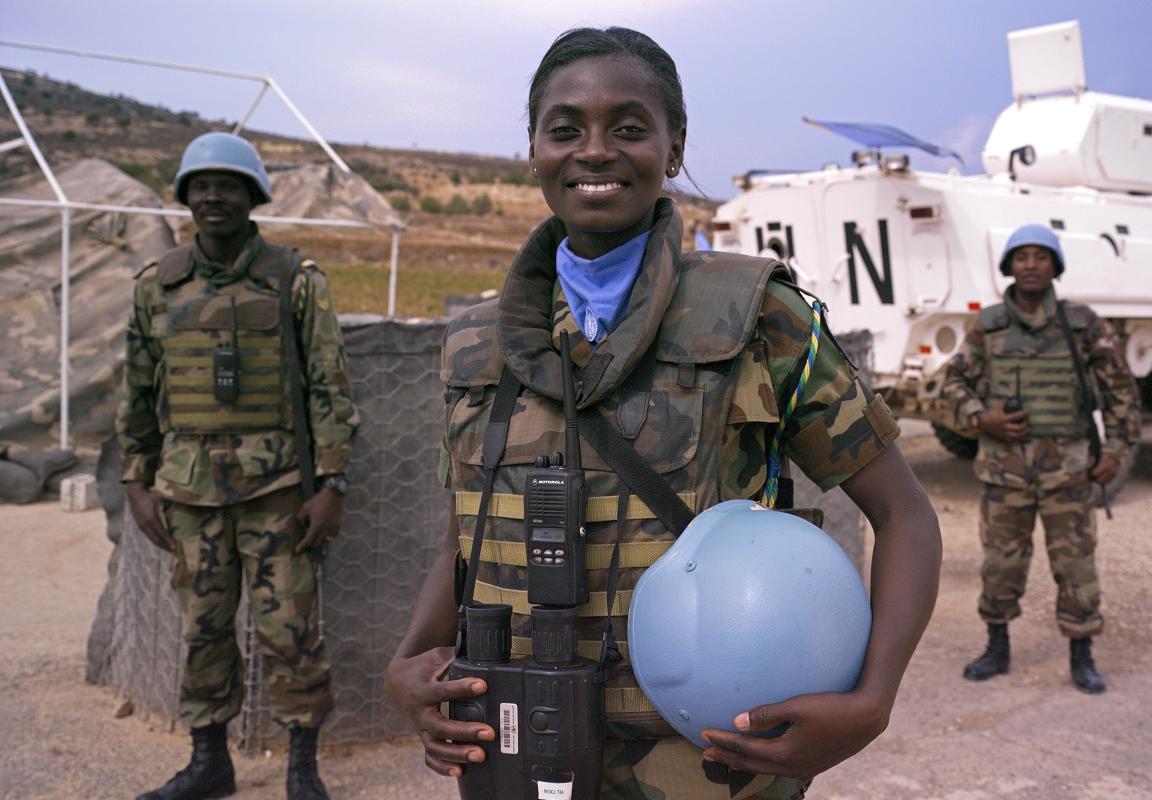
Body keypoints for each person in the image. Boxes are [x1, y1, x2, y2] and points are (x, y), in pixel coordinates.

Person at [384, 27, 941, 799]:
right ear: (534, 150)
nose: (595, 150)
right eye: (565, 129)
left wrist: (873, 700)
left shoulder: (761, 317)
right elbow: (468, 528)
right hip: (519, 749)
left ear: (673, 147)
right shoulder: (477, 343)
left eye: (628, 127)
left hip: (706, 762)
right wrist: (410, 661)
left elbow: (905, 513)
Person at [117, 131, 359, 800]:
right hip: (189, 492)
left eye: (228, 185)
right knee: (203, 631)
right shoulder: (157, 286)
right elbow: (136, 389)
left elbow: (329, 385)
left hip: (278, 492)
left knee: (291, 632)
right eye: (201, 186)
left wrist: (332, 482)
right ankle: (209, 763)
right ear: (186, 196)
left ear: (253, 197)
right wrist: (135, 478)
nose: (213, 197)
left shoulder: (295, 280)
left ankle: (302, 768)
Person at [942, 223, 1139, 695]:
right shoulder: (988, 326)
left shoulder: (1082, 323)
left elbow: (1120, 388)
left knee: (1076, 568)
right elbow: (951, 385)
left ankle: (1081, 655)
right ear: (1009, 266)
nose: (1031, 265)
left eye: (1041, 256)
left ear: (1055, 266)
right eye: (1022, 257)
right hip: (1004, 472)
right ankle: (997, 647)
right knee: (1001, 566)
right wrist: (983, 418)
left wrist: (1115, 450)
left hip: (1068, 472)